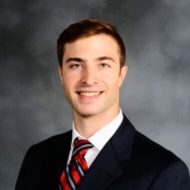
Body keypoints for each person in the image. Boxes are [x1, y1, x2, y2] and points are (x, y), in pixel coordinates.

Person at [15, 19, 190, 190]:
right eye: (76, 65)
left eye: (103, 65)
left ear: (121, 74)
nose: (89, 80)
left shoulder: (164, 172)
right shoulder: (37, 157)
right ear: (61, 74)